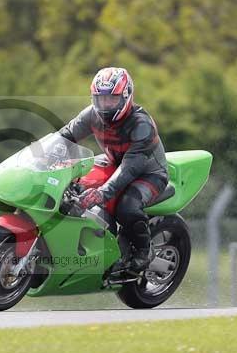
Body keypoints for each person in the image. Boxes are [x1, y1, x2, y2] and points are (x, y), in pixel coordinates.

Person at [58, 67, 168, 275]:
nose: (106, 105)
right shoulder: (91, 114)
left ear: (126, 96)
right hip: (114, 163)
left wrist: (102, 192)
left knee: (127, 207)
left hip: (148, 173)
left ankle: (144, 252)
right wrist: (41, 155)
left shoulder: (141, 124)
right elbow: (65, 135)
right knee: (72, 187)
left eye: (112, 99)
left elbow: (130, 168)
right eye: (101, 99)